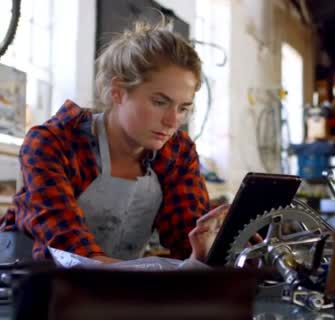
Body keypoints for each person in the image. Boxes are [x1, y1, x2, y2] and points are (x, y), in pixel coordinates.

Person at [0, 20, 226, 265]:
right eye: (160, 102)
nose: (173, 121)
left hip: (113, 288)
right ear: (118, 90)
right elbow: (70, 249)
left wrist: (208, 247)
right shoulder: (53, 143)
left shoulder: (178, 153)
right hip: (23, 285)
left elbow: (188, 240)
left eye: (183, 108)